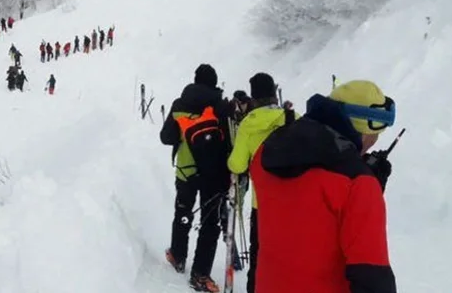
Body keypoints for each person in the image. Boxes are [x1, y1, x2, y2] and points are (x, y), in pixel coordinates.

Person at [250, 80, 396, 293]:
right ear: (364, 129)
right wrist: (365, 188)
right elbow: (373, 279)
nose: (374, 141)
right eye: (375, 135)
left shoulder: (266, 154)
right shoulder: (357, 184)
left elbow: (305, 210)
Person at [160, 64, 233, 293]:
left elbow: (166, 137)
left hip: (186, 170)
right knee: (209, 223)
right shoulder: (221, 107)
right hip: (215, 174)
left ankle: (178, 256)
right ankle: (200, 275)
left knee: (183, 212)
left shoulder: (179, 104)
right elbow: (231, 140)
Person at [226, 73, 296, 293]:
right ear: (274, 92)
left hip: (263, 202)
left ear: (254, 97)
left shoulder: (249, 124)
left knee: (259, 257)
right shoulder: (293, 117)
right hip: (296, 200)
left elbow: (237, 165)